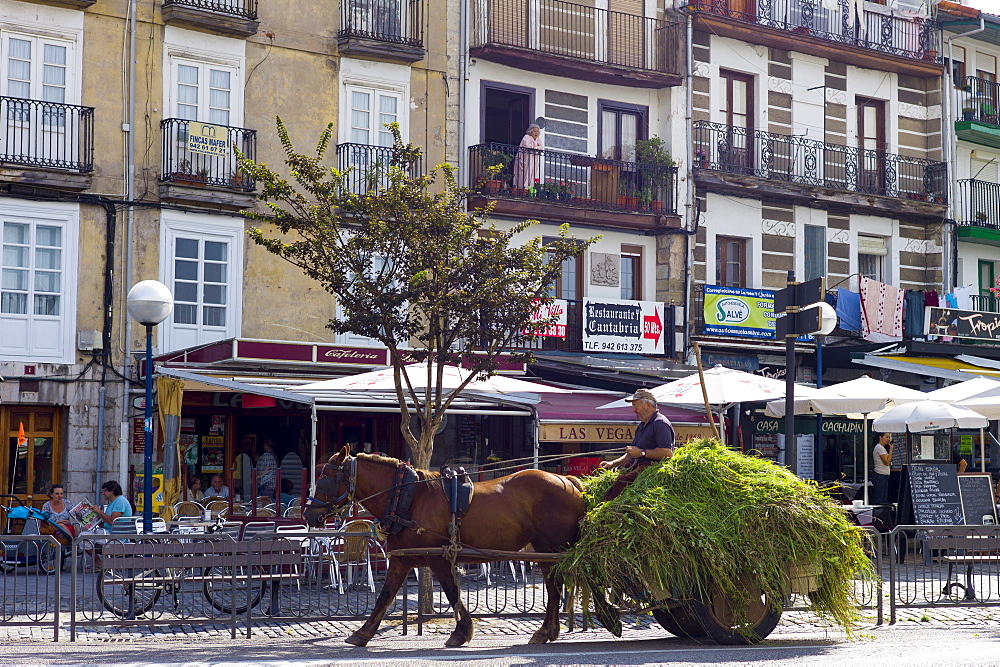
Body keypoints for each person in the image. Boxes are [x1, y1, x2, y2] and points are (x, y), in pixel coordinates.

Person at [599, 389, 674, 502]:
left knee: (623, 480)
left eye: (635, 406)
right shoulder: (642, 425)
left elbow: (667, 453)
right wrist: (612, 463)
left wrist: (641, 452)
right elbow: (631, 454)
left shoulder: (660, 424)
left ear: (648, 405)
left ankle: (607, 510)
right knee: (612, 479)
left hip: (653, 467)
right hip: (638, 464)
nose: (634, 410)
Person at [512, 124, 543, 190]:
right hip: (524, 158)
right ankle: (520, 188)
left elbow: (541, 147)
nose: (536, 133)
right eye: (534, 131)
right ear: (530, 131)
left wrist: (534, 147)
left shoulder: (538, 139)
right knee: (523, 173)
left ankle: (528, 189)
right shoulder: (526, 137)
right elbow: (527, 146)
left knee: (531, 173)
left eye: (537, 131)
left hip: (533, 159)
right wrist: (535, 146)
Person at [871, 432, 893, 505]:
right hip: (880, 475)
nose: (888, 439)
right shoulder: (879, 448)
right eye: (886, 437)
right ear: (880, 437)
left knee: (883, 498)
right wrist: (891, 450)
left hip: (883, 475)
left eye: (889, 437)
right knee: (879, 498)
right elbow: (887, 462)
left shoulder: (882, 448)